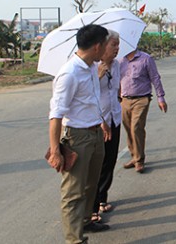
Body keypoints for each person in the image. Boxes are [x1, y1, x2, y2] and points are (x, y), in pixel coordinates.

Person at [47, 24, 111, 243]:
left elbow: (91, 99)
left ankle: (86, 221)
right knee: (73, 193)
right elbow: (55, 116)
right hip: (78, 138)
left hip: (95, 133)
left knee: (90, 184)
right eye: (105, 45)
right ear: (96, 47)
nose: (106, 50)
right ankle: (75, 239)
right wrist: (56, 151)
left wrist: (102, 122)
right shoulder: (69, 74)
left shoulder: (92, 67)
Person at [119, 49, 168, 173]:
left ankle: (139, 160)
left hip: (141, 99)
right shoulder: (119, 60)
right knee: (128, 128)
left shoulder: (146, 58)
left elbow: (155, 78)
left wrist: (160, 97)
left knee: (136, 127)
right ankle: (134, 156)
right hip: (124, 100)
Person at [91, 30, 121, 219]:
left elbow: (115, 90)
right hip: (97, 121)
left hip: (114, 118)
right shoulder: (92, 67)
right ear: (102, 46)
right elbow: (87, 95)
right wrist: (98, 76)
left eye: (118, 45)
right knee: (96, 164)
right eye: (113, 45)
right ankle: (92, 207)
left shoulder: (117, 65)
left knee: (110, 159)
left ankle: (102, 197)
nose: (117, 49)